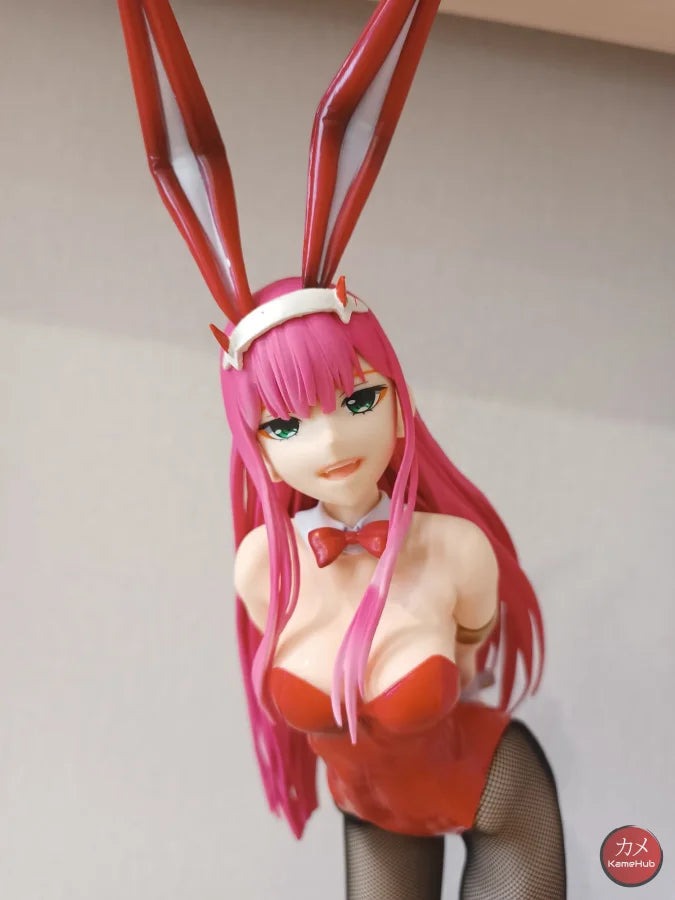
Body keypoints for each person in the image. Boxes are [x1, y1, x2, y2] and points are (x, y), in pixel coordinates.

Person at [119, 0, 566, 896]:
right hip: (373, 807)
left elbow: (471, 668)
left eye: (357, 400)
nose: (328, 441)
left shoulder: (457, 551)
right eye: (284, 425)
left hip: (495, 793)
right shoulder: (262, 565)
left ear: (400, 408)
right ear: (253, 446)